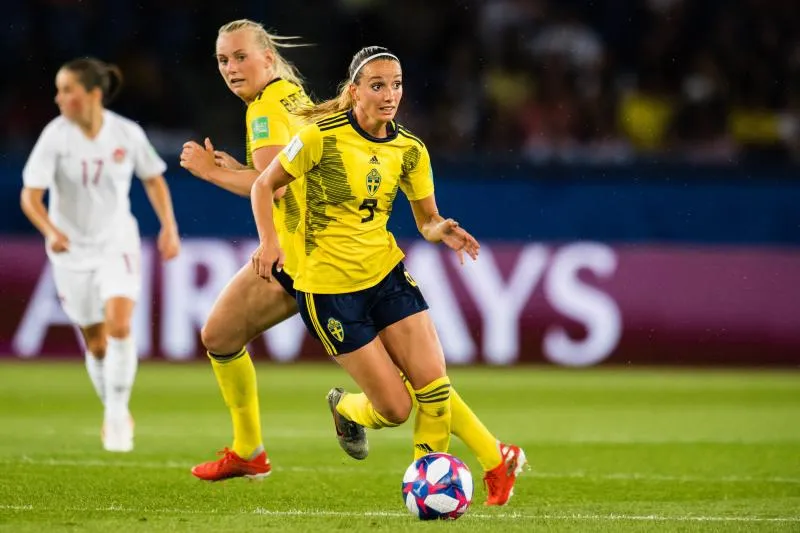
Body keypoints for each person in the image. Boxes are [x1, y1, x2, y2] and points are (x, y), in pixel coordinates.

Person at [251, 46, 527, 505]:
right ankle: (345, 406)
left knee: (434, 387)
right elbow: (264, 185)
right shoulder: (320, 137)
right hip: (329, 291)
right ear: (354, 91)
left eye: (396, 85)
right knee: (395, 408)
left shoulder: (410, 149)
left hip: (385, 274)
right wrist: (269, 242)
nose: (389, 94)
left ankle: (440, 486)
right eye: (378, 85)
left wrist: (441, 230)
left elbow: (426, 219)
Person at [20, 57, 181, 453]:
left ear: (93, 94)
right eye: (58, 90)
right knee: (95, 343)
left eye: (67, 90)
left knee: (120, 325)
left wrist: (169, 226)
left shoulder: (126, 133)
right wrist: (51, 231)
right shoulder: (55, 137)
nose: (58, 98)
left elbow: (153, 178)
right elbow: (30, 196)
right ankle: (113, 405)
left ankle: (117, 416)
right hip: (71, 250)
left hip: (116, 241)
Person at [179, 19, 312, 481]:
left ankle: (491, 452)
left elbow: (274, 187)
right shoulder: (291, 95)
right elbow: (285, 174)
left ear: (267, 58)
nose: (231, 68)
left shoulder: (264, 110)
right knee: (220, 335)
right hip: (316, 247)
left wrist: (209, 172)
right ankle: (248, 450)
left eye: (240, 57)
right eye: (222, 60)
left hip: (302, 256)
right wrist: (240, 169)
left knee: (394, 385)